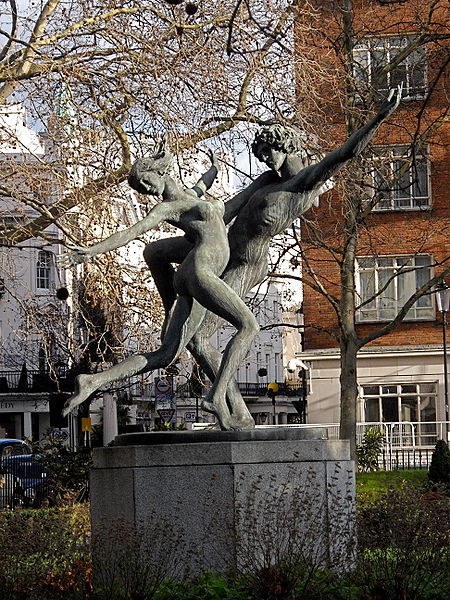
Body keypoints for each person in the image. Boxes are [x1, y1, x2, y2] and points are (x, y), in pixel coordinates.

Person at [142, 85, 403, 429]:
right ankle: (228, 400)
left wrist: (378, 119)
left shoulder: (304, 183)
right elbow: (228, 209)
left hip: (244, 262)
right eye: (261, 152)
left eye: (269, 150)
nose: (264, 158)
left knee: (200, 337)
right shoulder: (266, 179)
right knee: (154, 251)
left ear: (286, 146)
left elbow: (343, 155)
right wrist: (190, 201)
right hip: (216, 248)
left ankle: (221, 400)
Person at [57, 145, 259, 426]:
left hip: (189, 273)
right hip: (202, 271)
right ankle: (217, 395)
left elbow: (205, 184)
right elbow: (130, 232)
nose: (145, 189)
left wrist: (215, 167)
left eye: (145, 182)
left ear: (160, 172)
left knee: (166, 354)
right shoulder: (166, 208)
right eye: (140, 187)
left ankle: (93, 380)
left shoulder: (191, 196)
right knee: (249, 326)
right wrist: (90, 251)